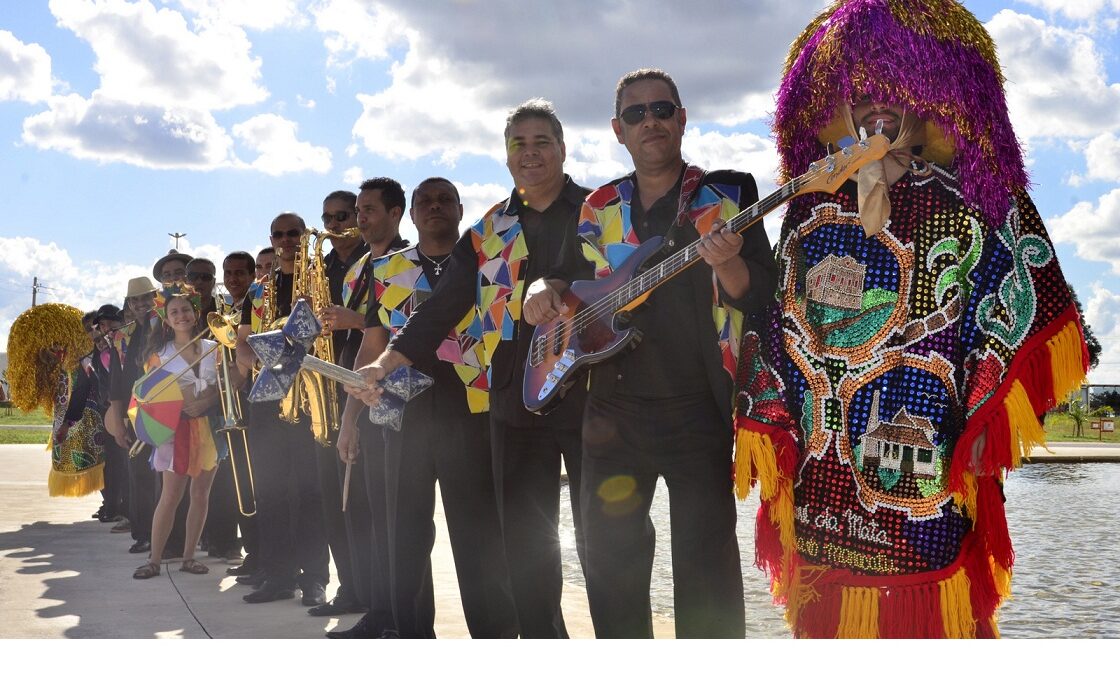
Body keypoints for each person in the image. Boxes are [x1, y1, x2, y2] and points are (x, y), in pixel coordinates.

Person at [735, 0, 1090, 638]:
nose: (879, 103)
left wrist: (984, 413)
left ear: (930, 96)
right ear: (834, 104)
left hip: (930, 458)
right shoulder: (809, 205)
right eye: (861, 89)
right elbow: (778, 322)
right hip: (827, 470)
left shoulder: (974, 202)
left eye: (898, 85)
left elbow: (1025, 294)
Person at [523, 68, 778, 638]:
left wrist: (727, 262)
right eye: (636, 114)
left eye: (662, 109)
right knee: (612, 570)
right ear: (618, 129)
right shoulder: (596, 206)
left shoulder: (728, 193)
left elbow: (762, 294)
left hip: (698, 407)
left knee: (706, 567)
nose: (651, 122)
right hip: (611, 413)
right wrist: (543, 290)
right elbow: (564, 279)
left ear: (682, 117)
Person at [354, 100, 590, 637]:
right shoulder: (490, 231)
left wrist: (555, 284)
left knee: (604, 547)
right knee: (525, 546)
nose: (530, 153)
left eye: (541, 142)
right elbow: (445, 304)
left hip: (588, 395)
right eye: (518, 144)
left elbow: (614, 274)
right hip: (512, 406)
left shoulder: (600, 208)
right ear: (506, 155)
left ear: (562, 147)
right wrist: (389, 361)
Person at [346, 178, 518, 638]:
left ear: (461, 210)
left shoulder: (487, 262)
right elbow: (374, 343)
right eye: (426, 202)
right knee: (404, 539)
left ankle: (496, 642)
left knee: (481, 539)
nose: (435, 207)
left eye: (444, 200)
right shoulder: (385, 269)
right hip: (402, 416)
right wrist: (351, 419)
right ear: (412, 214)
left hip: (475, 415)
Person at [328, 177, 410, 639]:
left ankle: (405, 622)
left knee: (403, 525)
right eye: (356, 210)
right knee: (377, 518)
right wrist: (350, 420)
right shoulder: (361, 268)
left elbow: (400, 332)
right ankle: (382, 615)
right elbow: (364, 345)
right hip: (367, 400)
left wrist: (354, 320)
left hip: (405, 401)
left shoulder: (410, 264)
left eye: (368, 210)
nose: (359, 218)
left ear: (396, 213)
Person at [235, 213, 329, 606]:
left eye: (295, 233)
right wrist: (252, 370)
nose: (288, 240)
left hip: (311, 399)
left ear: (305, 236)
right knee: (271, 489)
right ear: (270, 238)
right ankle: (277, 576)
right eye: (280, 234)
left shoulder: (318, 280)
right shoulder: (258, 291)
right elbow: (242, 341)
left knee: (309, 489)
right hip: (269, 397)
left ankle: (315, 578)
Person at [307, 189, 371, 618]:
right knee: (333, 500)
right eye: (328, 218)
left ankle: (373, 592)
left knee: (363, 502)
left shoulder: (383, 256)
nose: (333, 225)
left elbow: (405, 322)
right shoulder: (320, 268)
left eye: (342, 215)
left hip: (367, 388)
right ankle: (350, 586)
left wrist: (355, 321)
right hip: (327, 391)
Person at [132, 292, 221, 579]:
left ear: (196, 313)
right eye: (174, 312)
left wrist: (206, 402)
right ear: (167, 320)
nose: (181, 315)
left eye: (186, 309)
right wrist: (184, 402)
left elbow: (225, 385)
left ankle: (189, 557)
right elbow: (153, 395)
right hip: (176, 430)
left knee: (201, 495)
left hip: (209, 426)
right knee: (170, 496)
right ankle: (154, 560)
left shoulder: (215, 347)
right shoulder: (160, 354)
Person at [6, 303, 105, 497]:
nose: (57, 348)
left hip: (86, 415)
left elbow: (83, 389)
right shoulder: (61, 362)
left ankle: (111, 504)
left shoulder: (86, 359)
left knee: (98, 456)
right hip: (66, 413)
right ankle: (107, 504)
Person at [105, 276, 161, 554]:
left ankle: (164, 535)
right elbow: (116, 383)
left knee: (163, 474)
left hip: (164, 408)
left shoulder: (164, 326)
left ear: (155, 297)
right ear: (129, 304)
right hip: (134, 412)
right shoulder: (121, 337)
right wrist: (117, 422)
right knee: (138, 474)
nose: (141, 304)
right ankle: (143, 534)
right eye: (135, 299)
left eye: (146, 298)